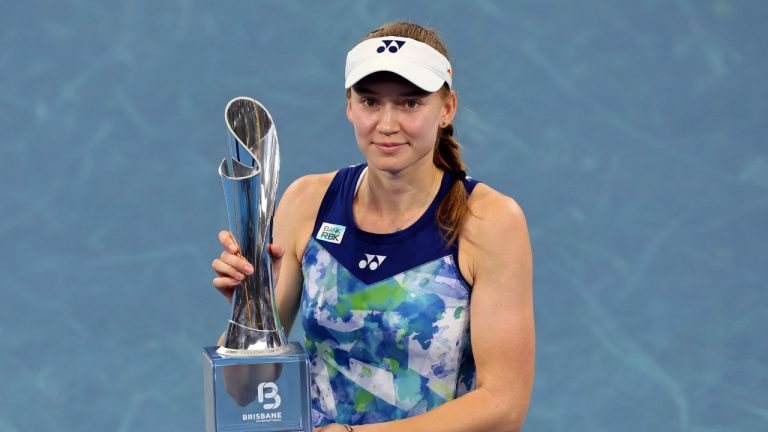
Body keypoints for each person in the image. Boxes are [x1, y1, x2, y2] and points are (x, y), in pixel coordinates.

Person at [212, 22, 534, 432]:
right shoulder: (307, 202)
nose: (386, 123)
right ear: (349, 106)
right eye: (369, 101)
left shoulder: (490, 221)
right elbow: (244, 394)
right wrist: (250, 312)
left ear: (447, 108)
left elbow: (504, 407)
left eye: (410, 103)